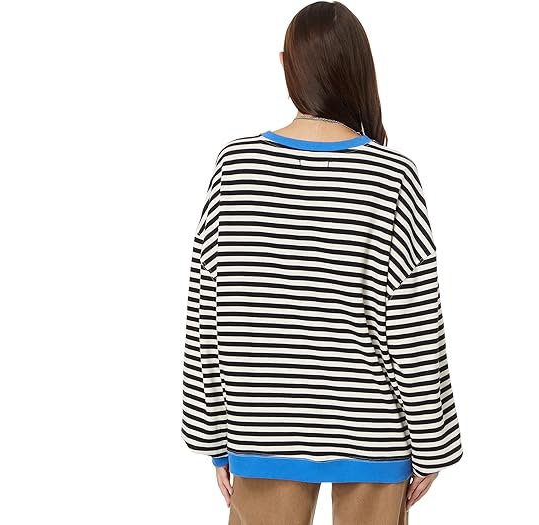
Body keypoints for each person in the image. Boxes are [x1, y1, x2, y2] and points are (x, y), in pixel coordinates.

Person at [181, 2, 464, 523]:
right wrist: (433, 444)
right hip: (375, 433)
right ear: (359, 68)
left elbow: (208, 311)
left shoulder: (236, 167)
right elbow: (413, 325)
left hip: (261, 428)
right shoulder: (392, 178)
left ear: (286, 64)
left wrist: (213, 437)